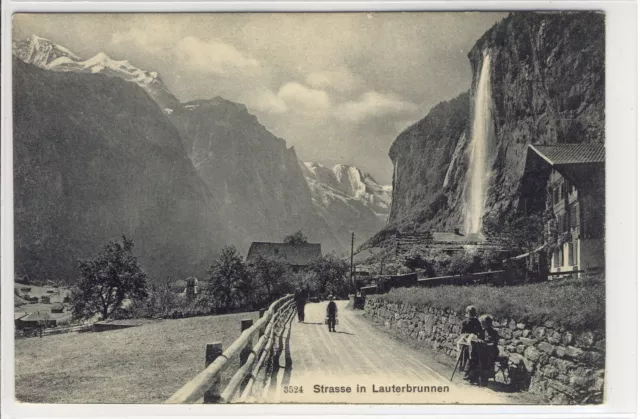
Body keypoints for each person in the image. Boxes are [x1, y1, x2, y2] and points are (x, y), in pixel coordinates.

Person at [460, 305, 482, 380]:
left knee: (475, 352)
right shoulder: (465, 322)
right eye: (469, 313)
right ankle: (467, 371)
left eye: (472, 313)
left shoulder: (477, 322)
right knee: (467, 352)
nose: (471, 314)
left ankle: (472, 373)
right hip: (466, 342)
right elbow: (462, 333)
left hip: (474, 342)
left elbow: (480, 333)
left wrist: (475, 337)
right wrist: (467, 337)